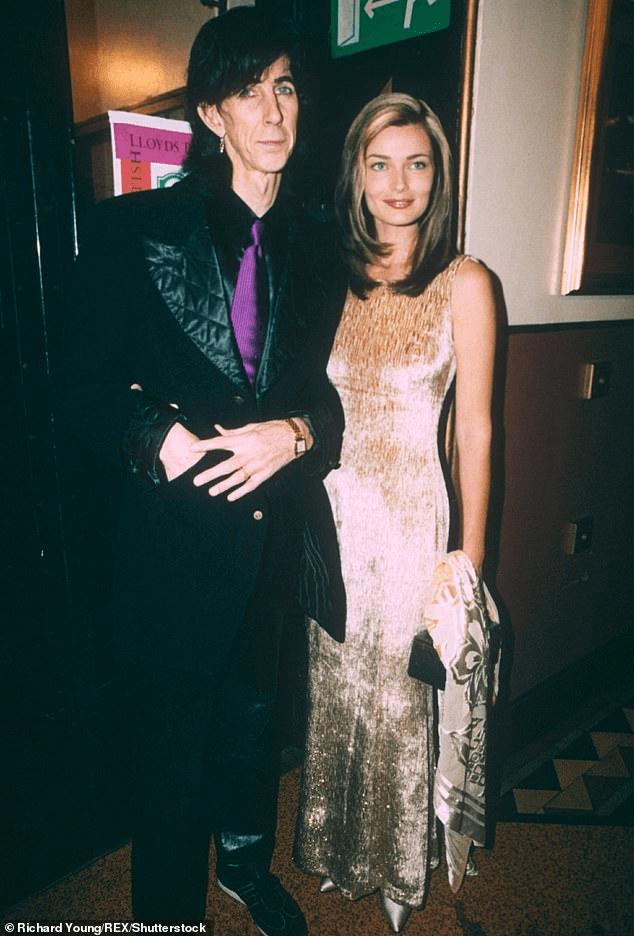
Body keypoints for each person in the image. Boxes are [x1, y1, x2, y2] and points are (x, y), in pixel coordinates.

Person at [55, 8, 345, 933]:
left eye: (285, 86)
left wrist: (298, 432)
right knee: (170, 768)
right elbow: (76, 388)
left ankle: (245, 868)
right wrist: (161, 437)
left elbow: (333, 397)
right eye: (248, 91)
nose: (274, 109)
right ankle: (168, 915)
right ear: (212, 114)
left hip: (271, 553)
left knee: (253, 735)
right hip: (171, 554)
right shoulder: (133, 230)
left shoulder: (322, 248)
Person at [294, 93, 497, 932]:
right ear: (357, 174)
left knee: (401, 695)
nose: (399, 183)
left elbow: (476, 430)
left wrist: (467, 562)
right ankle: (338, 846)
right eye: (380, 164)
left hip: (415, 515)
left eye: (417, 163)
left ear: (437, 175)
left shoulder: (466, 282)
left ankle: (398, 868)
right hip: (336, 514)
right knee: (336, 681)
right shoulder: (328, 277)